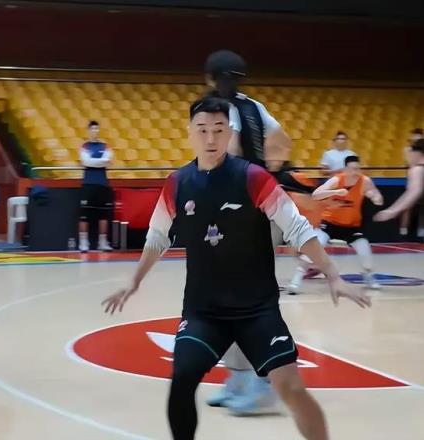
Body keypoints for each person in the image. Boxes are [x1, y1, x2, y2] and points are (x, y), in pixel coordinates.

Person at [102, 96, 371, 440]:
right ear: (190, 133)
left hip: (256, 309)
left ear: (230, 133)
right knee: (182, 379)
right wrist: (134, 281)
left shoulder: (253, 178)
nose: (210, 138)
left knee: (290, 386)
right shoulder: (178, 183)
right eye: (202, 130)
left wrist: (333, 275)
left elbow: (297, 227)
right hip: (204, 311)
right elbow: (157, 237)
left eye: (219, 130)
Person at [203, 49, 306, 415]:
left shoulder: (219, 109)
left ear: (209, 77)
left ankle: (264, 382)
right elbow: (283, 141)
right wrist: (270, 168)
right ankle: (240, 377)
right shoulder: (254, 106)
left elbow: (226, 155)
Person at [287, 155, 383, 293]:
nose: (355, 172)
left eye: (357, 169)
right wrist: (336, 191)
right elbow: (316, 195)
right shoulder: (337, 180)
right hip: (330, 223)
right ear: (345, 169)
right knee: (314, 246)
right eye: (352, 169)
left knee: (364, 249)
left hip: (352, 226)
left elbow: (374, 193)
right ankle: (295, 281)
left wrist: (376, 197)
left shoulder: (365, 181)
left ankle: (369, 277)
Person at [374, 139, 424, 235]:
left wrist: (393, 211)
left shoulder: (417, 169)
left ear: (417, 154)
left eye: (410, 154)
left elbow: (414, 192)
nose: (408, 158)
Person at [78, 120, 113, 252]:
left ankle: (102, 242)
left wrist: (93, 162)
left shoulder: (105, 146)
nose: (95, 131)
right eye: (92, 129)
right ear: (89, 131)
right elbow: (86, 161)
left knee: (103, 214)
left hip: (102, 184)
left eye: (97, 129)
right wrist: (100, 162)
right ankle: (83, 243)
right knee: (84, 214)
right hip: (88, 184)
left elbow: (107, 161)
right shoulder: (85, 146)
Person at [399, 129, 423, 238]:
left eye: (419, 138)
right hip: (412, 181)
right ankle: (403, 229)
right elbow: (410, 162)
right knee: (407, 206)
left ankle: (421, 230)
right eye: (415, 138)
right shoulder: (408, 149)